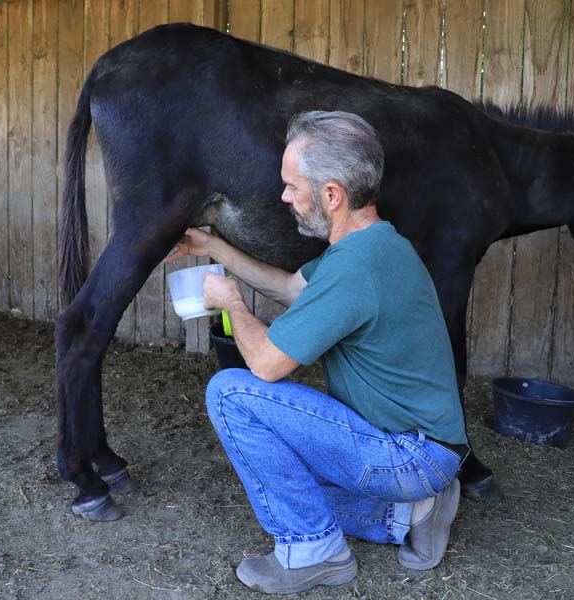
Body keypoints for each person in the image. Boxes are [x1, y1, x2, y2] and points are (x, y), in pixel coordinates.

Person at [164, 111, 469, 595]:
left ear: (331, 195)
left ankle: (315, 552)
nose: (284, 196)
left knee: (230, 395)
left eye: (292, 185)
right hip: (426, 448)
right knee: (286, 484)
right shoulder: (371, 244)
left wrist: (231, 304)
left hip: (408, 453)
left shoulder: (357, 268)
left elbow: (265, 363)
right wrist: (217, 249)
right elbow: (290, 288)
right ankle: (414, 511)